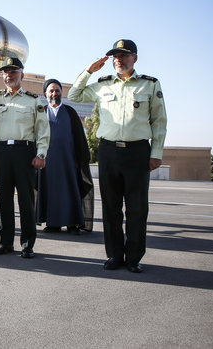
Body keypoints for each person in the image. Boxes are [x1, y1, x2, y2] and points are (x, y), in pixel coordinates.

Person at [68, 39, 167, 273]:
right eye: (115, 56)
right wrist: (88, 71)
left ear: (135, 58)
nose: (118, 60)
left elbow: (159, 122)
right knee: (111, 208)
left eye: (123, 55)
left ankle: (133, 257)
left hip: (137, 152)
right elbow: (74, 94)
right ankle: (114, 255)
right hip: (109, 151)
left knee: (137, 208)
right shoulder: (102, 85)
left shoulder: (149, 85)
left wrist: (156, 153)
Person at [0, 58, 49, 258]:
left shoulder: (33, 100)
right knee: (5, 200)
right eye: (6, 72)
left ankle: (27, 244)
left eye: (13, 72)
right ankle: (5, 242)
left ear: (22, 75)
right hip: (1, 152)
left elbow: (43, 130)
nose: (9, 75)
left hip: (24, 152)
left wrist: (41, 153)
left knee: (26, 200)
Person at [37, 79, 94, 234]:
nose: (54, 93)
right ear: (45, 94)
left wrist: (79, 160)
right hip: (47, 162)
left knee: (70, 191)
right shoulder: (41, 112)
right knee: (50, 192)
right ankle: (53, 223)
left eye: (57, 90)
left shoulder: (70, 112)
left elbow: (80, 139)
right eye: (51, 91)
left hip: (69, 162)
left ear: (61, 92)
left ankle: (73, 223)